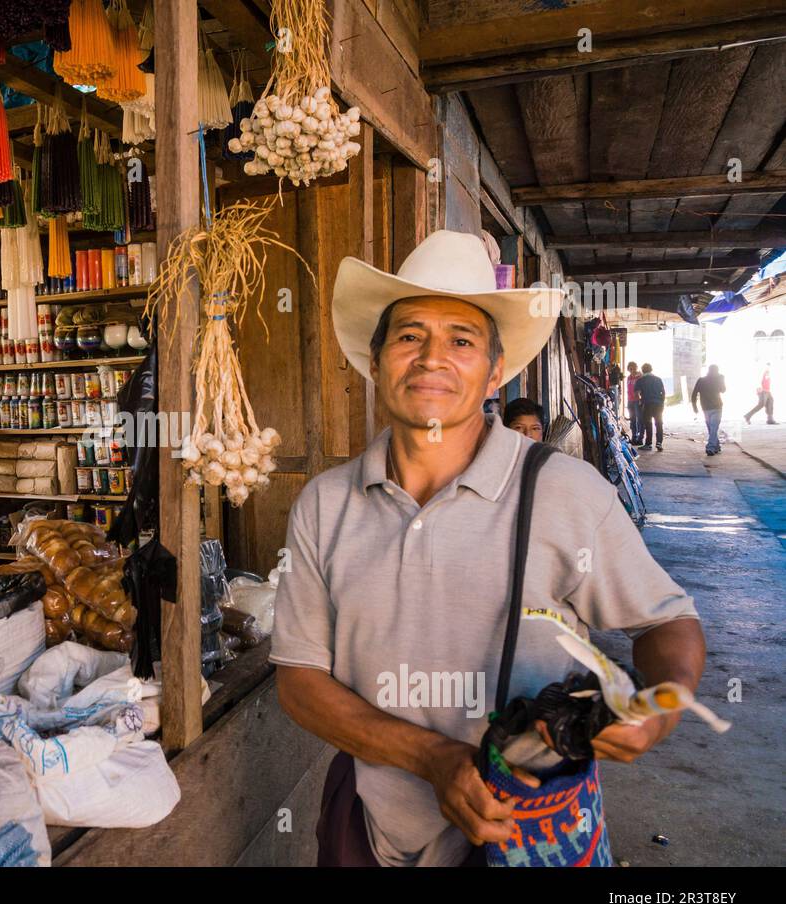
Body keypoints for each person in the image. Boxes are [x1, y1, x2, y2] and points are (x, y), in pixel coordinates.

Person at [274, 229, 705, 867]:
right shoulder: (324, 504)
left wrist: (658, 706)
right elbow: (300, 679)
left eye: (462, 340)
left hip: (525, 832)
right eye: (410, 335)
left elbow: (666, 621)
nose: (431, 359)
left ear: (495, 371)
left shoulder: (564, 492)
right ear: (376, 358)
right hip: (371, 831)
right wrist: (432, 758)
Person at [691, 364, 726, 456]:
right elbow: (723, 390)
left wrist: (695, 407)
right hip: (717, 406)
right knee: (713, 428)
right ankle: (714, 447)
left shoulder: (701, 380)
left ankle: (711, 447)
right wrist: (720, 379)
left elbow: (694, 394)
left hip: (705, 408)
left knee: (712, 428)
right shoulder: (719, 378)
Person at [637, 362, 666, 450]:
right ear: (651, 369)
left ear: (642, 370)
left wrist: (640, 402)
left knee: (648, 424)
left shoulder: (641, 380)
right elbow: (663, 392)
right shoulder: (658, 379)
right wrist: (662, 402)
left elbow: (637, 393)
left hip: (647, 404)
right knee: (659, 423)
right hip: (658, 404)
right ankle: (659, 443)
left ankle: (648, 444)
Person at [625, 362, 642, 443]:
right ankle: (634, 436)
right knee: (632, 419)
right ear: (628, 369)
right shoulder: (628, 378)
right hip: (630, 401)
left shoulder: (639, 377)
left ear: (636, 368)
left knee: (639, 419)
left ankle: (639, 437)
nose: (632, 370)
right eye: (630, 369)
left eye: (634, 368)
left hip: (637, 401)